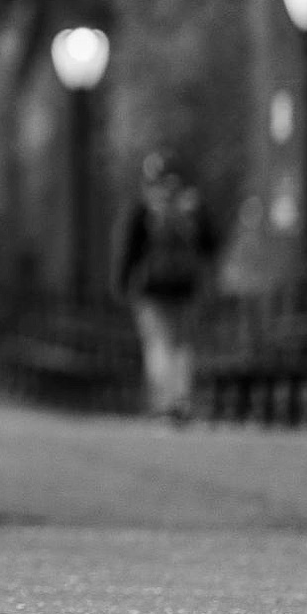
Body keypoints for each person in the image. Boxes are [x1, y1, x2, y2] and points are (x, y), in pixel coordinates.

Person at [113, 152, 220, 422]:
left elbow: (128, 249)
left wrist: (122, 282)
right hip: (186, 286)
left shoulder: (145, 207)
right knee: (183, 344)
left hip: (152, 288)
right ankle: (181, 398)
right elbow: (211, 245)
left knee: (158, 343)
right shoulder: (190, 206)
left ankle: (164, 401)